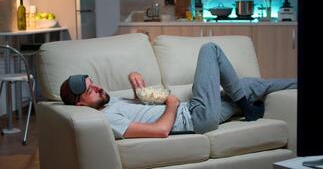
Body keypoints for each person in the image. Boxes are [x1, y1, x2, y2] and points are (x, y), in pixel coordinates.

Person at [60, 43, 297, 138]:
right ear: (80, 104)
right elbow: (161, 130)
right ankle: (245, 106)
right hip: (194, 116)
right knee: (210, 49)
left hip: (197, 111)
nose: (98, 87)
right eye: (91, 90)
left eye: (94, 83)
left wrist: (136, 89)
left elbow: (141, 110)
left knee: (250, 84)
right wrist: (172, 103)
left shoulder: (109, 103)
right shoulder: (106, 119)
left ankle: (254, 103)